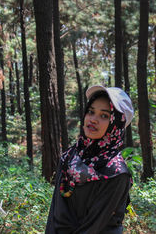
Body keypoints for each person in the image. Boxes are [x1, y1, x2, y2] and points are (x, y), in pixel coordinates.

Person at [45, 85, 134, 234]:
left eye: (104, 115)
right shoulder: (69, 157)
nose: (93, 120)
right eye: (91, 112)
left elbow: (94, 227)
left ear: (116, 124)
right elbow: (54, 213)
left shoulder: (116, 172)